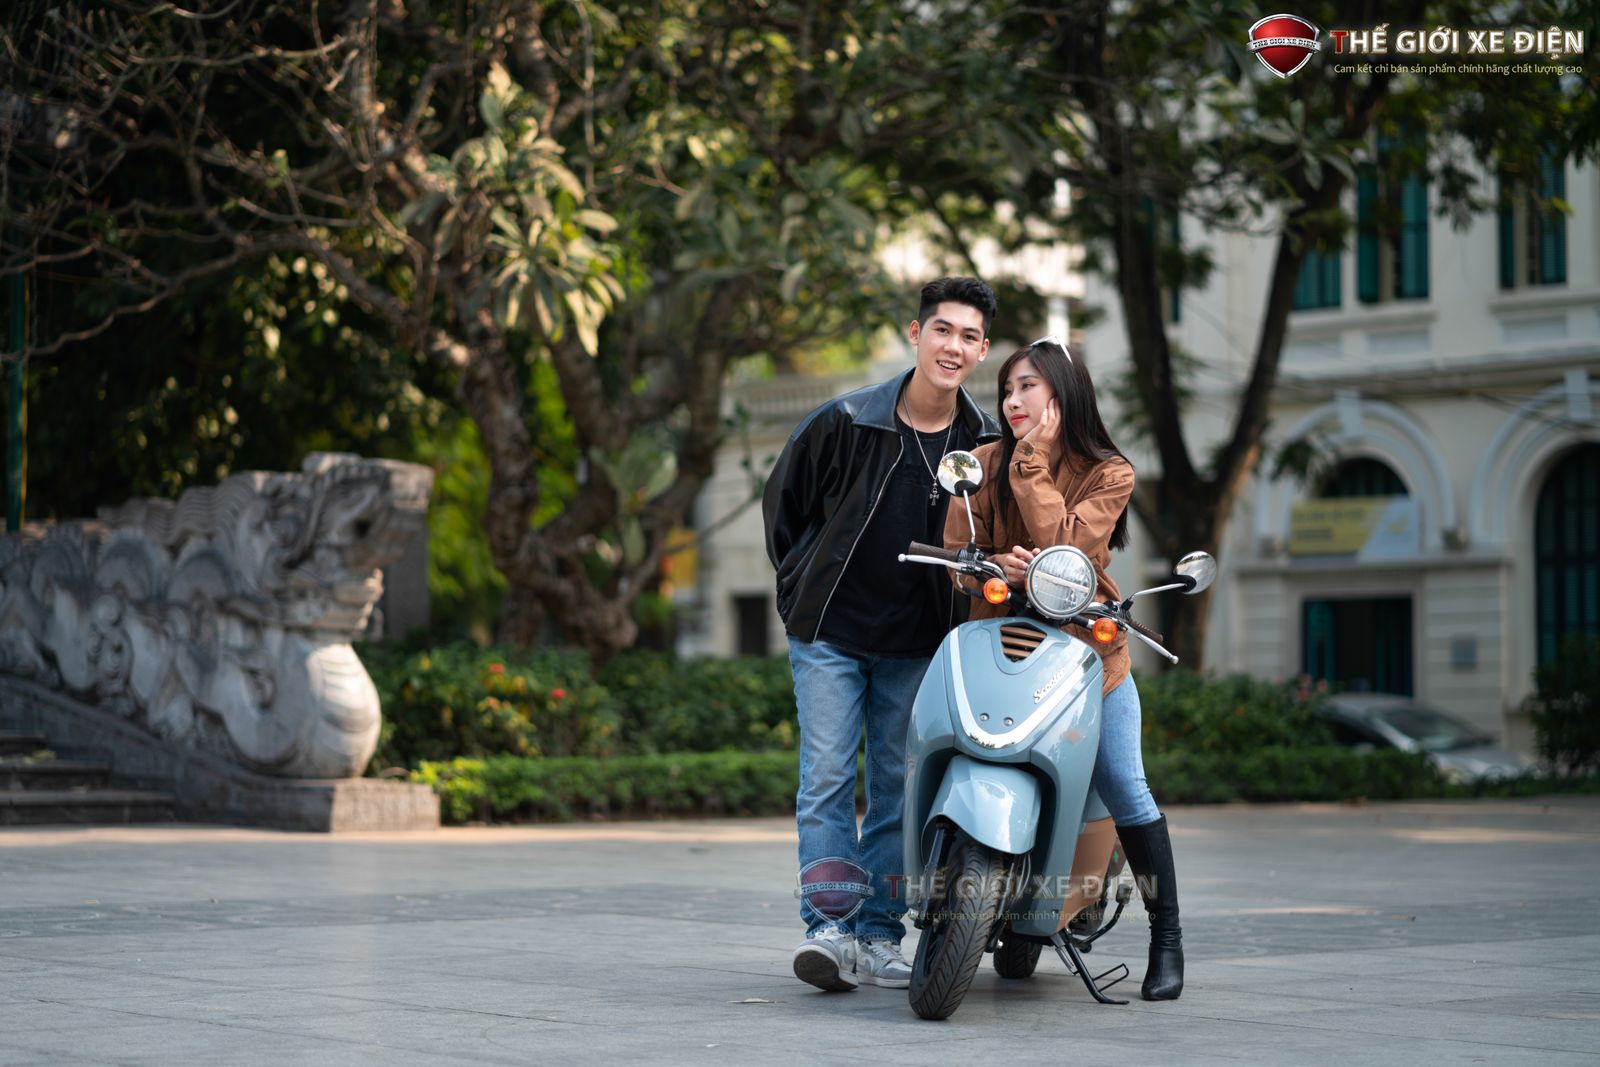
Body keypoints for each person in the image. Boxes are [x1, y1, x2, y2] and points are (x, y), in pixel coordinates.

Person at [763, 276, 1003, 992]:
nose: (953, 346)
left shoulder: (985, 445)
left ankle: (878, 935)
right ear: (916, 334)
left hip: (921, 643)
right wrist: (799, 589)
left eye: (968, 336)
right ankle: (829, 929)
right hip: (830, 633)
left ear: (983, 350)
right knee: (827, 779)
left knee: (899, 789)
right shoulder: (845, 421)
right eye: (942, 330)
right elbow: (785, 511)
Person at [941, 336, 1185, 1001]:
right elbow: (957, 554)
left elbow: (1068, 548)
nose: (1012, 401)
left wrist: (1031, 463)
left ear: (1063, 393)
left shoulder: (1110, 472)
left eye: (1028, 386)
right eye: (1007, 389)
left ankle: (1167, 935)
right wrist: (991, 565)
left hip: (1087, 658)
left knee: (1125, 784)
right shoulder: (981, 463)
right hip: (999, 647)